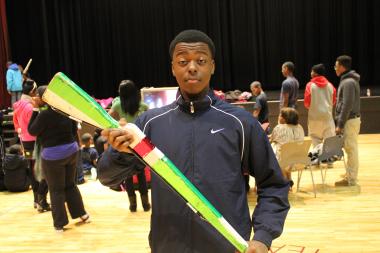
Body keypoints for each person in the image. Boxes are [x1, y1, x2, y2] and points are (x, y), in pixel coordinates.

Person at [98, 29, 289, 253]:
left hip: (228, 248)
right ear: (172, 67)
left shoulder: (240, 123)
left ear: (212, 66)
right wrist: (119, 152)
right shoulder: (150, 124)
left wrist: (263, 236)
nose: (191, 67)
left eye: (200, 60)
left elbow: (273, 184)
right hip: (167, 246)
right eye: (182, 61)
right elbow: (107, 177)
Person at [28, 86, 90, 232]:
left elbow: (32, 131)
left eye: (37, 95)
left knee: (56, 190)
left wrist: (35, 110)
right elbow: (74, 129)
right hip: (71, 151)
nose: (35, 97)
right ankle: (82, 214)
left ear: (44, 98)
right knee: (70, 185)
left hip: (53, 156)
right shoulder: (65, 110)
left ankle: (59, 224)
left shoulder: (44, 116)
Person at [108, 80, 151, 212]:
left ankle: (132, 205)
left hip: (124, 143)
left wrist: (117, 127)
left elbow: (106, 119)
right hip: (141, 143)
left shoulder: (116, 105)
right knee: (141, 173)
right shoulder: (143, 106)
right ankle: (146, 204)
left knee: (127, 175)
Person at [12, 78, 50, 211]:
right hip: (35, 141)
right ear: (33, 91)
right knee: (41, 171)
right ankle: (41, 200)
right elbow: (35, 127)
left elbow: (16, 122)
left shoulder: (18, 104)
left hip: (25, 141)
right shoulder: (30, 107)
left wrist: (20, 132)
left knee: (33, 171)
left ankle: (36, 200)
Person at [333, 55, 361, 187]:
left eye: (336, 65)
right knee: (350, 148)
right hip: (349, 121)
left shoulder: (348, 82)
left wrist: (340, 124)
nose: (335, 68)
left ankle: (351, 179)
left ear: (342, 67)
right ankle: (350, 175)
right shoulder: (347, 80)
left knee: (351, 149)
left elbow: (347, 105)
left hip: (349, 121)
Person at [304, 64, 336, 148]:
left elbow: (306, 103)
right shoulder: (330, 86)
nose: (311, 73)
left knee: (315, 142)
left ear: (315, 73)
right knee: (329, 143)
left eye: (312, 71)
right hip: (327, 118)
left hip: (314, 119)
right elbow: (333, 102)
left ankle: (316, 159)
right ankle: (328, 159)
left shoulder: (309, 85)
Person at [270, 108, 305, 182]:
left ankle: (284, 179)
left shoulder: (279, 128)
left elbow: (271, 140)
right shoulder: (300, 127)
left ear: (284, 118)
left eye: (280, 115)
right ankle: (289, 179)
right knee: (287, 149)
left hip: (282, 162)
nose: (278, 116)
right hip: (299, 161)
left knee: (274, 146)